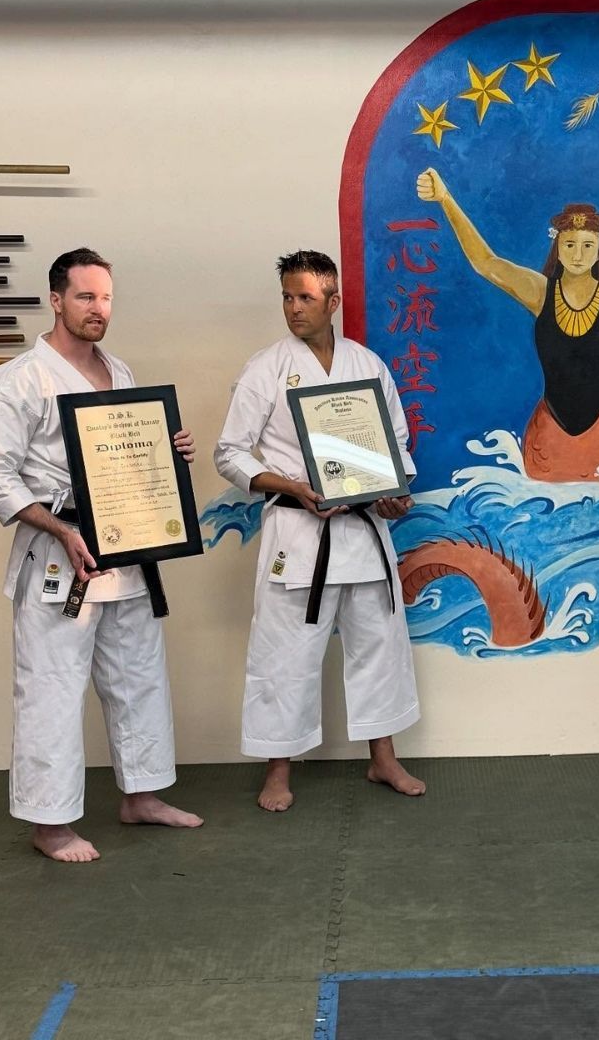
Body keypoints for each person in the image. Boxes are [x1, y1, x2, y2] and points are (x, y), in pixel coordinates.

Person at [0, 247, 203, 862]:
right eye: (85, 297)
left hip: (125, 547)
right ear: (56, 300)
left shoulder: (119, 371)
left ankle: (142, 795)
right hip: (61, 552)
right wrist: (58, 529)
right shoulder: (21, 379)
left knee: (139, 674)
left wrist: (167, 450)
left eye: (105, 298)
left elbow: (127, 458)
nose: (98, 309)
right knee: (51, 685)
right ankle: (50, 824)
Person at [214, 249, 425, 812]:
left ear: (334, 301)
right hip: (299, 532)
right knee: (285, 653)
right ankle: (278, 770)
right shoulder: (265, 368)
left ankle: (383, 758)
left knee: (379, 644)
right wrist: (290, 486)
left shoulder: (367, 365)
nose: (293, 308)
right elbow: (229, 453)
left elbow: (396, 444)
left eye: (305, 297)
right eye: (287, 297)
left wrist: (395, 492)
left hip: (363, 529)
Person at [416, 167, 599, 482]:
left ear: (598, 250)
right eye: (569, 244)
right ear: (558, 248)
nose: (578, 254)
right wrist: (445, 199)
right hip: (548, 434)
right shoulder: (540, 293)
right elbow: (486, 263)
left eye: (587, 245)